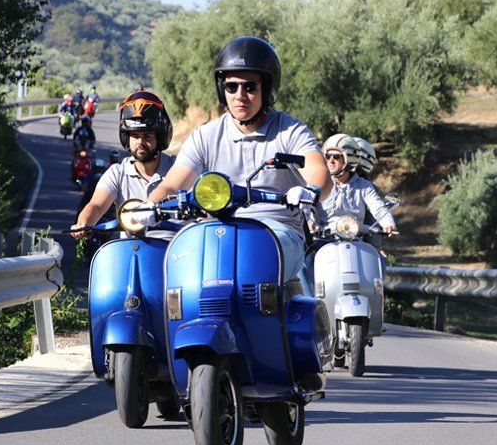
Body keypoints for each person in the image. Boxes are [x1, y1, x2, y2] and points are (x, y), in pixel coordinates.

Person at [137, 36, 332, 283]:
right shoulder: (205, 136)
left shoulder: (290, 130)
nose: (240, 95)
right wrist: (149, 205)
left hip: (278, 233)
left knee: (255, 258)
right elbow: (173, 184)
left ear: (267, 88)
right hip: (218, 233)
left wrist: (311, 190)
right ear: (222, 89)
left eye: (250, 87)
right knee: (180, 271)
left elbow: (318, 170)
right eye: (231, 87)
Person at [71, 91, 175, 239]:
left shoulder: (177, 170)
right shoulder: (117, 174)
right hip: (131, 254)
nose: (140, 142)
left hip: (174, 254)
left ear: (160, 137)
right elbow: (96, 205)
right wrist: (83, 223)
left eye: (147, 136)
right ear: (127, 138)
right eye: (135, 136)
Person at [319, 133, 396, 236]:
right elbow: (307, 206)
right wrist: (310, 222)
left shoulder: (364, 186)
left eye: (336, 156)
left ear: (350, 159)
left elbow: (377, 207)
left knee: (372, 252)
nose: (331, 161)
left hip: (355, 241)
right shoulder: (320, 183)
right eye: (327, 156)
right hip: (323, 240)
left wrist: (387, 223)